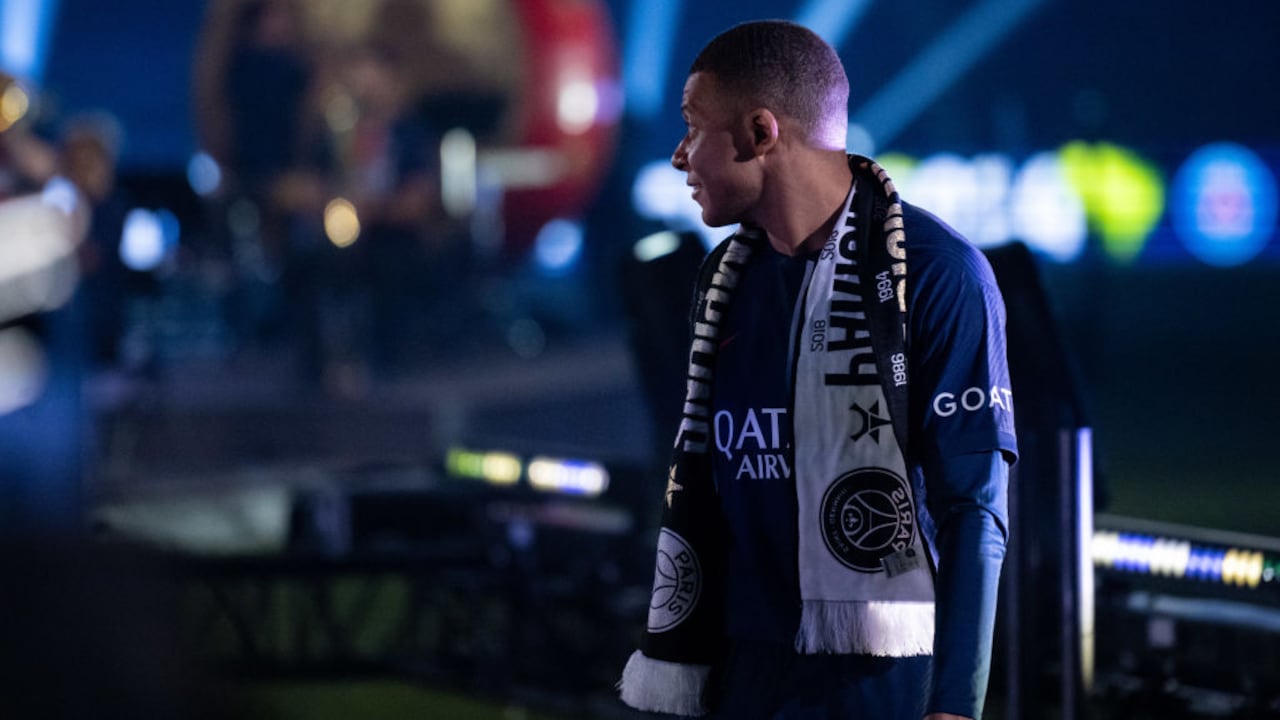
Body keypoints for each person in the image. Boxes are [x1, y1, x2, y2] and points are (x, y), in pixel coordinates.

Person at [618, 20, 1017, 720]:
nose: (680, 156)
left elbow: (973, 508)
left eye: (693, 128)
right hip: (744, 674)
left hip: (884, 681)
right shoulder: (724, 281)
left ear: (760, 132)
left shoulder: (936, 273)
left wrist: (955, 704)